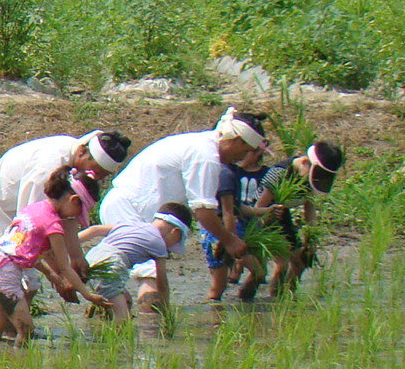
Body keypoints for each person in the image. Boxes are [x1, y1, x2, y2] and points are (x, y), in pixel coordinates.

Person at [98, 109, 268, 296]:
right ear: (236, 140)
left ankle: (144, 321)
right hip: (128, 210)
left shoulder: (202, 146)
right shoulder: (206, 156)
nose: (242, 158)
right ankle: (148, 321)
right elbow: (203, 212)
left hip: (138, 213)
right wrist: (230, 241)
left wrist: (224, 237)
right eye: (244, 151)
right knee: (152, 281)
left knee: (152, 280)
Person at [0, 130, 130, 284]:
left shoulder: (74, 160)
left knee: (28, 284)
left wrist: (77, 257)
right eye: (96, 172)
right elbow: (34, 226)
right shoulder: (48, 166)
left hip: (14, 219)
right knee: (4, 282)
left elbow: (67, 214)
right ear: (83, 152)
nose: (95, 179)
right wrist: (61, 274)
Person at [0, 172, 110, 345]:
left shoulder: (34, 209)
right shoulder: (53, 225)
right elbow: (65, 267)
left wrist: (51, 275)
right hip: (5, 278)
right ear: (73, 200)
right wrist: (88, 295)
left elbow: (23, 252)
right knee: (26, 331)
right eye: (79, 212)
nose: (76, 218)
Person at [77, 204, 193, 317]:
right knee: (122, 319)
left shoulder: (131, 225)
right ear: (175, 232)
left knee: (125, 299)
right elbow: (162, 282)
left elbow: (94, 229)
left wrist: (68, 244)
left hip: (91, 257)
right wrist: (166, 311)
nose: (171, 248)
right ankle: (117, 325)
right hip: (111, 264)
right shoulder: (159, 243)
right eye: (176, 243)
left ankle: (99, 313)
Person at [259, 141, 343, 295]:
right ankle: (273, 299)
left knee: (300, 261)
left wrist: (311, 237)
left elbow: (309, 206)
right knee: (282, 264)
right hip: (264, 215)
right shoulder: (280, 173)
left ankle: (289, 295)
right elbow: (259, 205)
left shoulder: (310, 180)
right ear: (305, 162)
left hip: (283, 217)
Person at [206, 154, 275, 302]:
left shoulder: (233, 172)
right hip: (219, 233)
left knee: (258, 273)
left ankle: (242, 307)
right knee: (219, 286)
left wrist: (266, 211)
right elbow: (227, 212)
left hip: (226, 232)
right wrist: (232, 241)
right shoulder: (225, 174)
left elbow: (237, 208)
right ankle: (214, 318)